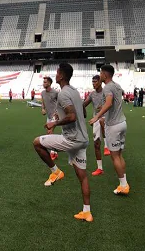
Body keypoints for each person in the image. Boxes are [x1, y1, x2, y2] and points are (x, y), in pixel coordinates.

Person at [32, 63, 92, 222]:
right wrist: (59, 117)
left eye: (57, 72)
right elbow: (83, 113)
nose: (56, 74)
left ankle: (56, 171)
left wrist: (54, 124)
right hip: (83, 139)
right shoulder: (74, 91)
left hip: (71, 139)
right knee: (82, 176)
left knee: (37, 142)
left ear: (62, 76)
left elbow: (72, 116)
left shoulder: (63, 94)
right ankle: (87, 212)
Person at [90, 64, 129, 196]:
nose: (100, 75)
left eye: (101, 73)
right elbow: (116, 100)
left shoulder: (107, 87)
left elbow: (109, 103)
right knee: (119, 155)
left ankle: (123, 185)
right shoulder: (117, 85)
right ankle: (124, 183)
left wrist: (97, 116)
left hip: (113, 125)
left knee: (114, 157)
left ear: (105, 75)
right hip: (123, 122)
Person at [83, 75, 110, 177]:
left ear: (100, 82)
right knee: (96, 144)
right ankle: (100, 168)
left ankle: (107, 146)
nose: (93, 83)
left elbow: (110, 104)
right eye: (92, 82)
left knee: (102, 121)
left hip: (107, 119)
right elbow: (84, 103)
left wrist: (103, 107)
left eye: (95, 82)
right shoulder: (92, 94)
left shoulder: (106, 92)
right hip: (96, 119)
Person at [41, 76, 59, 160]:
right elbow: (43, 101)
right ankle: (54, 152)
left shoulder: (55, 92)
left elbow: (60, 103)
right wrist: (43, 109)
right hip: (48, 115)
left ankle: (52, 153)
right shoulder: (43, 93)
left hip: (54, 115)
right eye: (43, 82)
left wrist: (57, 112)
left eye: (45, 82)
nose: (43, 83)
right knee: (49, 133)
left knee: (50, 132)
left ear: (49, 83)